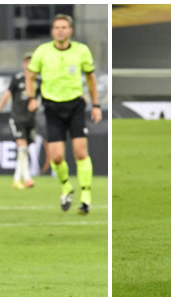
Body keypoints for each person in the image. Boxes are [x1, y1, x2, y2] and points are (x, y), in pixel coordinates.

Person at [26, 13, 101, 214]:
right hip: (52, 107)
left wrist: (96, 105)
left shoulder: (81, 51)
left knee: (80, 151)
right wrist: (32, 97)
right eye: (56, 27)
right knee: (57, 157)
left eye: (63, 27)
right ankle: (66, 187)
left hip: (75, 106)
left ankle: (86, 196)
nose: (60, 30)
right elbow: (30, 74)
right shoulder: (42, 52)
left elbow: (91, 78)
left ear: (70, 31)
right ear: (52, 31)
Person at [0, 53, 40, 190]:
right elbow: (6, 96)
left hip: (31, 120)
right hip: (17, 118)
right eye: (27, 61)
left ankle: (16, 179)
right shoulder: (17, 79)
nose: (29, 64)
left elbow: (43, 99)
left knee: (23, 151)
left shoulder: (39, 81)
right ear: (23, 64)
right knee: (22, 147)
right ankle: (27, 178)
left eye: (32, 61)